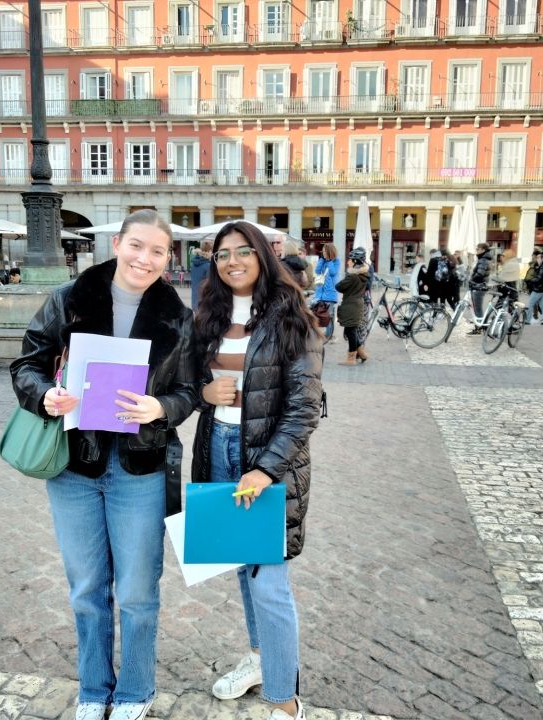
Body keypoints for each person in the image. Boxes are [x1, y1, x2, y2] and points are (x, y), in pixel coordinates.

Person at [9, 209, 199, 720]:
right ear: (119, 244)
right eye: (137, 246)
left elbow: (189, 390)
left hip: (141, 467)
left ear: (168, 257)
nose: (145, 258)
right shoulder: (69, 299)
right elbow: (26, 364)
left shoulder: (179, 318)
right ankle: (94, 689)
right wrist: (45, 395)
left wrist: (162, 408)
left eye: (157, 251)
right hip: (76, 466)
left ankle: (135, 690)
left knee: (137, 589)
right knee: (88, 588)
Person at [191, 220, 323, 720]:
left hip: (267, 463)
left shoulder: (294, 318)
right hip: (218, 448)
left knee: (269, 580)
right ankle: (260, 659)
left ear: (264, 257)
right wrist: (205, 394)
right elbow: (189, 382)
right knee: (242, 570)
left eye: (243, 251)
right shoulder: (208, 315)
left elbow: (304, 410)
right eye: (223, 254)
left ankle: (285, 700)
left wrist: (264, 471)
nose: (232, 261)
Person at [335, 247, 370, 364]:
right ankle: (362, 353)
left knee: (351, 332)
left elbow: (339, 286)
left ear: (355, 261)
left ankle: (351, 358)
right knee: (352, 330)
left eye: (350, 259)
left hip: (351, 305)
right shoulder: (364, 274)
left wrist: (347, 275)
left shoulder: (352, 276)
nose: (348, 261)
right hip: (357, 303)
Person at [311, 244, 341, 343]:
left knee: (329, 316)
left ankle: (329, 335)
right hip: (320, 293)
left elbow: (333, 272)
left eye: (324, 251)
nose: (323, 253)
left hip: (330, 294)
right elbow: (317, 271)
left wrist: (329, 261)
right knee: (318, 314)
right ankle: (320, 334)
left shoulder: (336, 261)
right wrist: (322, 260)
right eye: (322, 251)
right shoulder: (322, 260)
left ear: (329, 251)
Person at [467, 243, 492, 334]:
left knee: (477, 309)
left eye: (478, 249)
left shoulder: (483, 260)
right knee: (477, 308)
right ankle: (481, 327)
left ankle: (480, 328)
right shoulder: (483, 259)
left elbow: (480, 274)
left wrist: (471, 280)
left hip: (479, 287)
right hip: (479, 286)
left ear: (483, 250)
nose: (476, 250)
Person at [524, 250, 543, 326]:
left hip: (538, 289)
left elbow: (539, 278)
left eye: (539, 258)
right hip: (541, 289)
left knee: (530, 304)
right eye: (537, 257)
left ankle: (526, 320)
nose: (537, 259)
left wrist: (530, 280)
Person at [190, 240, 213, 309]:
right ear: (209, 251)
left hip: (195, 301)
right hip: (205, 303)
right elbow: (211, 286)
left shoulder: (194, 265)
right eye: (212, 251)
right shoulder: (208, 266)